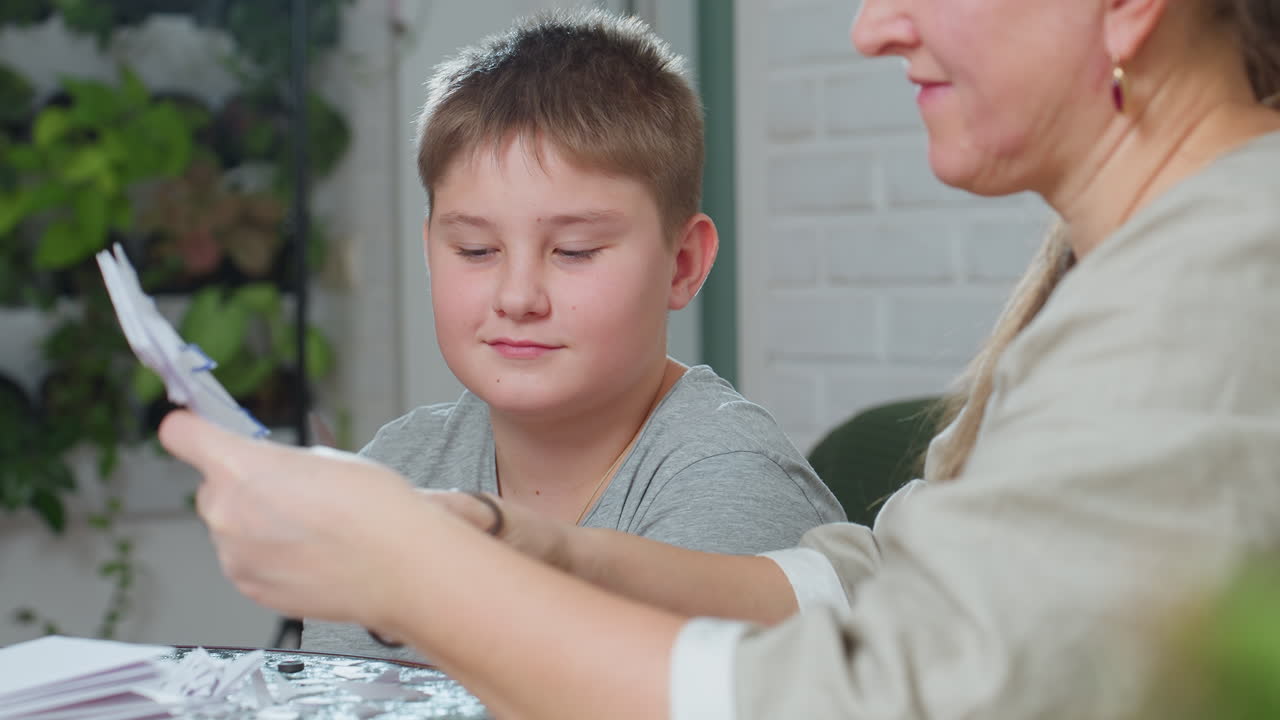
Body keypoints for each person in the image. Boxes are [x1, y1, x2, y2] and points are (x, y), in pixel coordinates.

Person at [161, 0, 1280, 717]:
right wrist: (525, 545)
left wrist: (414, 572)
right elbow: (890, 581)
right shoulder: (1135, 267)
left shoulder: (1220, 282)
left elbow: (890, 698)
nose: (874, 26)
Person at [301, 11, 844, 661]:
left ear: (683, 265)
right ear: (430, 251)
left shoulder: (729, 492)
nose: (517, 297)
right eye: (476, 250)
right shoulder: (399, 465)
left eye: (576, 251)